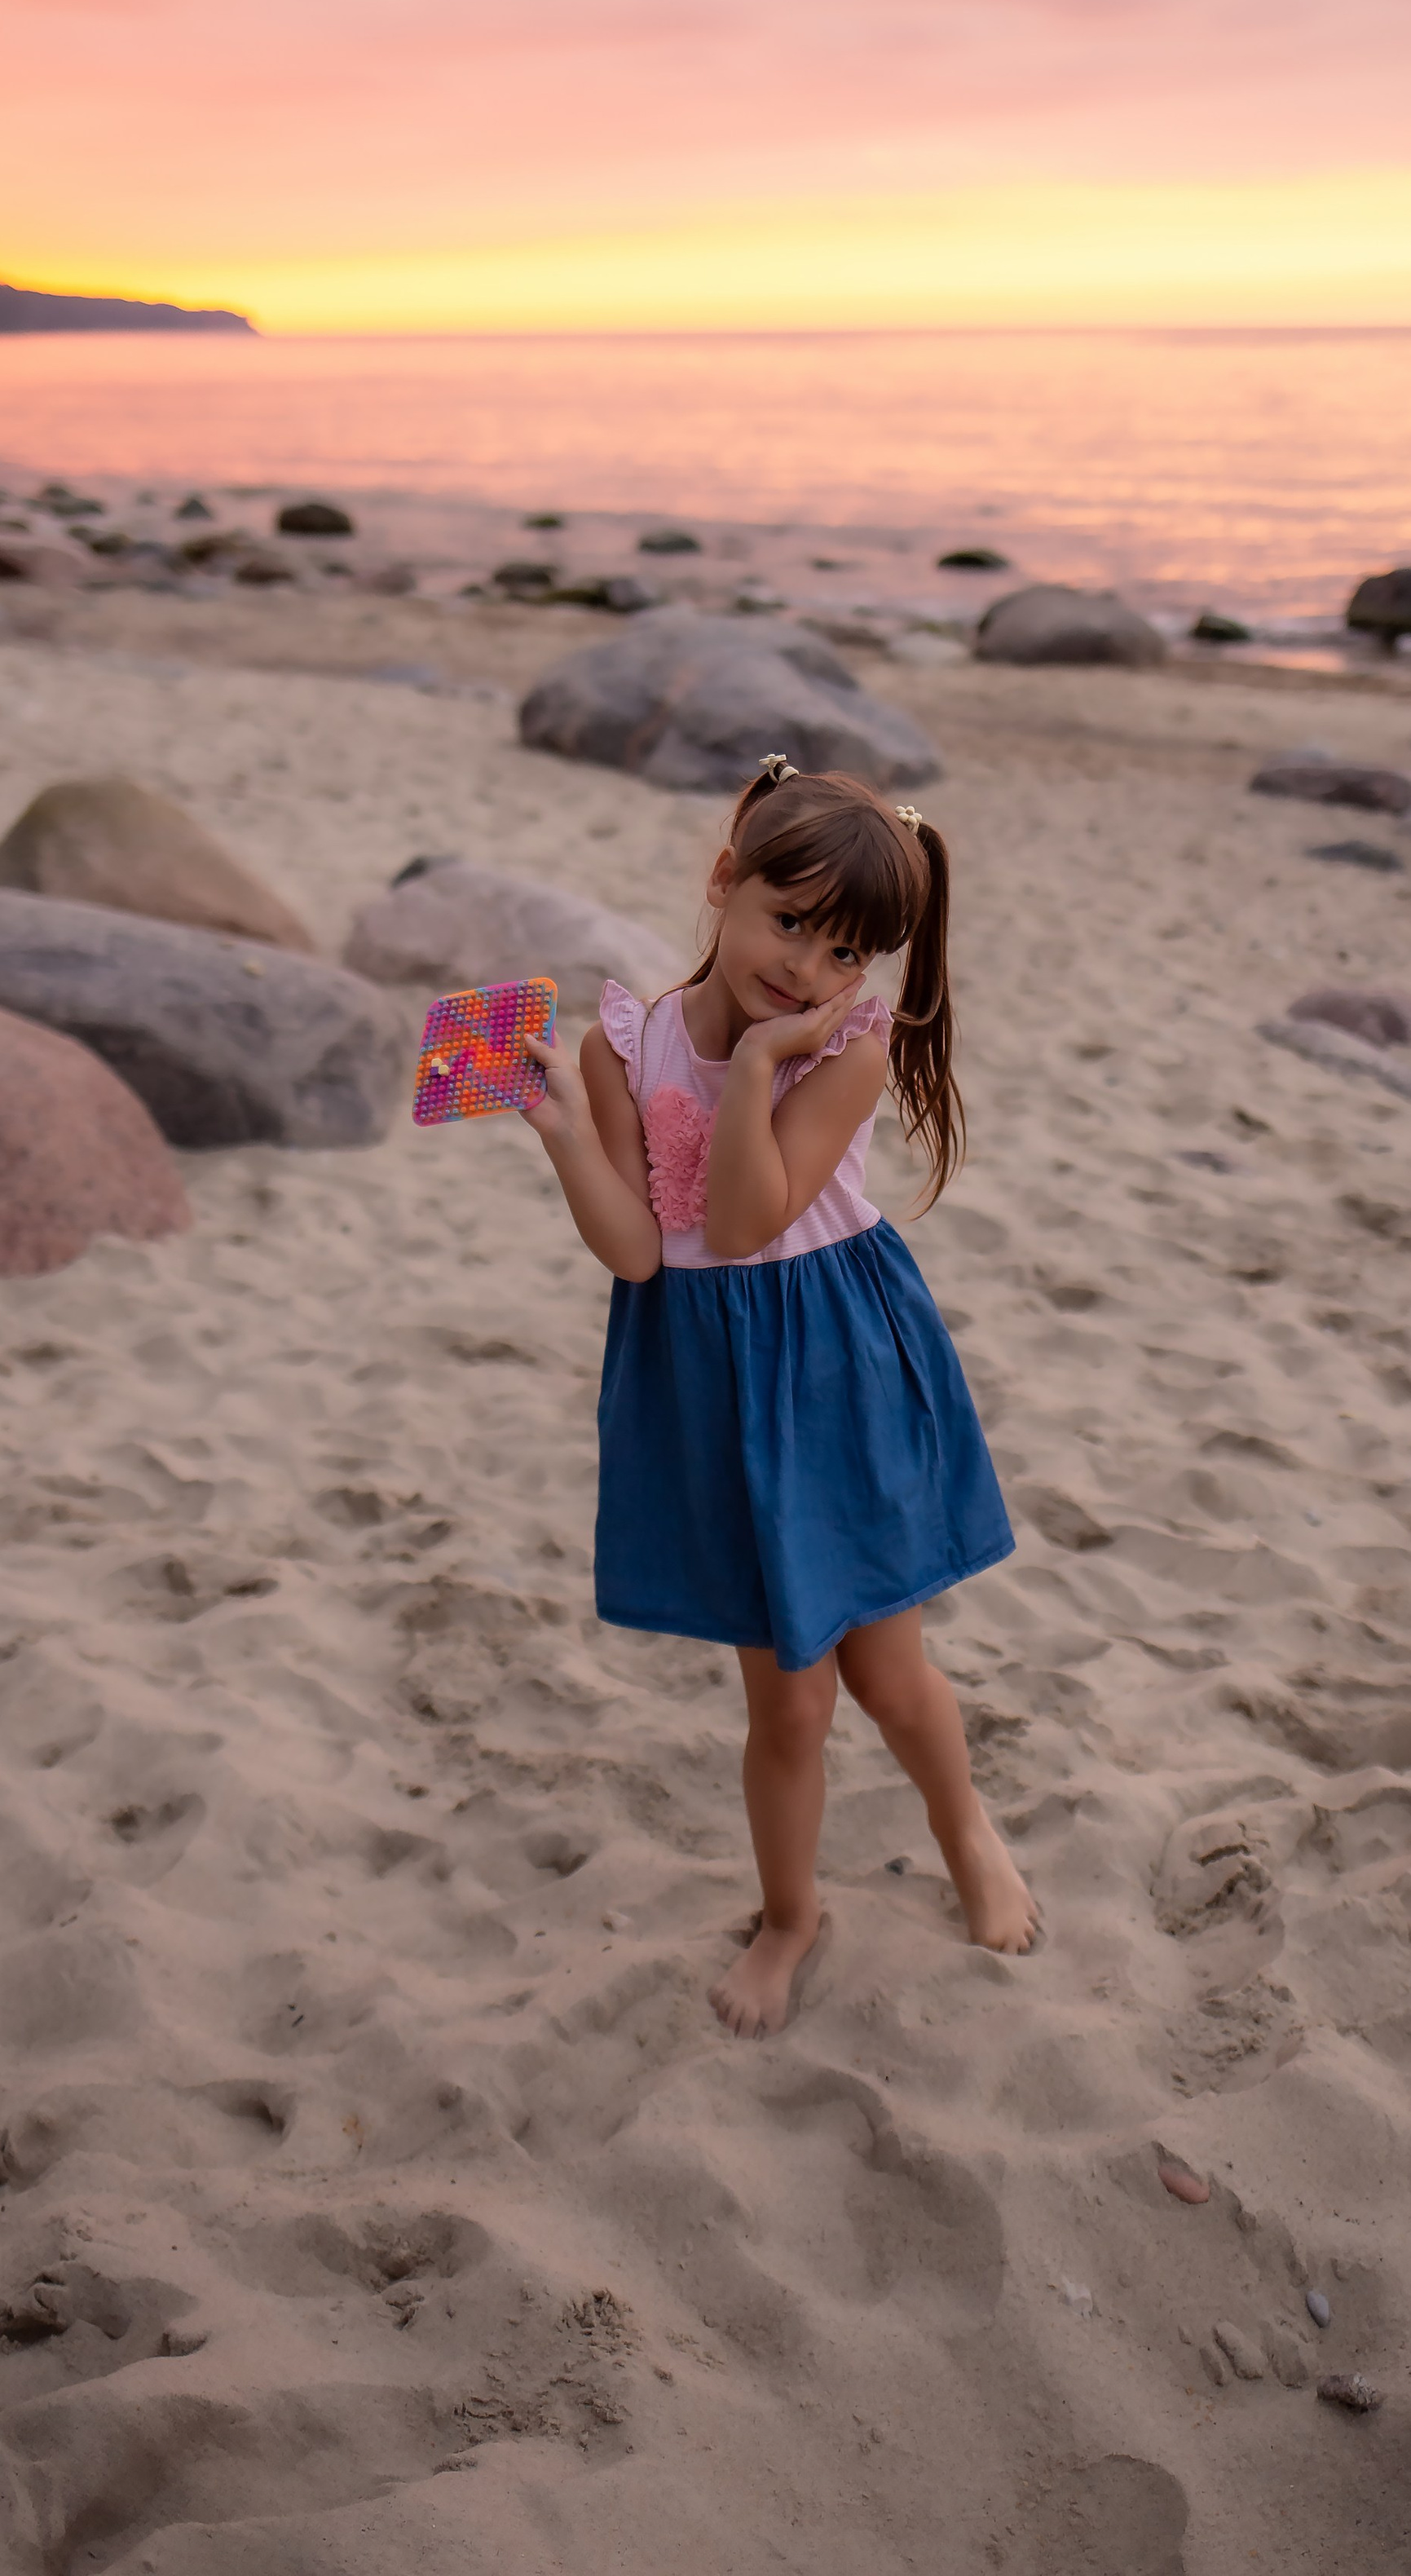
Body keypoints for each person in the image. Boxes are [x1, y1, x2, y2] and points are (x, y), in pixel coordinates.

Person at [521, 753, 1038, 2037]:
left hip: (828, 1364)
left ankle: (962, 1824)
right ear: (724, 883)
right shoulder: (624, 1045)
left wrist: (755, 1071)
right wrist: (565, 1137)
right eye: (790, 920)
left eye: (845, 952)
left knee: (889, 1672)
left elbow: (747, 1219)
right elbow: (642, 1250)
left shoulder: (842, 1056)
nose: (805, 969)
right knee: (788, 1699)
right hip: (707, 1377)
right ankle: (793, 1914)